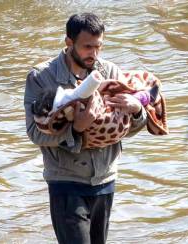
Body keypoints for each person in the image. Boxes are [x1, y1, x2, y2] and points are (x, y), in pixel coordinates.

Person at [24, 13, 147, 244]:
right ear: (68, 43)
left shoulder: (110, 72)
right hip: (65, 180)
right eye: (87, 47)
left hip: (105, 179)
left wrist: (137, 111)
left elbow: (122, 128)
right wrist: (75, 129)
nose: (94, 53)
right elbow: (34, 132)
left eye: (99, 46)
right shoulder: (41, 77)